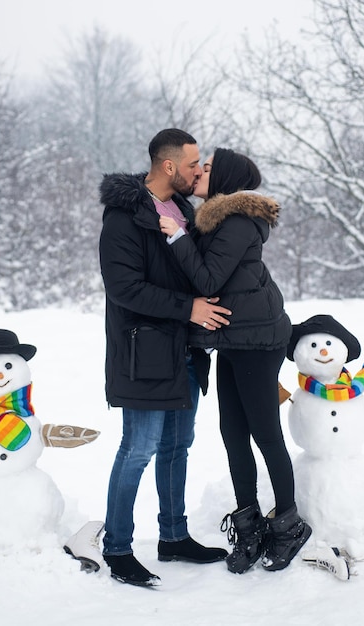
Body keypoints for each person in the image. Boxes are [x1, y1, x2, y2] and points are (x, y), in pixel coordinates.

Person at [159, 147, 312, 575]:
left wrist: (176, 236)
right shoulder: (213, 219)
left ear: (223, 176)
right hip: (233, 339)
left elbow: (207, 277)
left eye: (206, 167)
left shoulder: (238, 222)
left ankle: (288, 524)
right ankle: (250, 526)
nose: (199, 172)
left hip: (258, 342)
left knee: (265, 434)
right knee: (232, 433)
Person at [98, 129, 231, 587]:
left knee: (177, 447)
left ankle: (173, 538)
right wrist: (187, 307)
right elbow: (124, 289)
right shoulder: (125, 217)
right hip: (144, 353)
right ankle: (117, 548)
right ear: (169, 165)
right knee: (138, 449)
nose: (199, 171)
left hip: (185, 351)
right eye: (193, 163)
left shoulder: (185, 213)